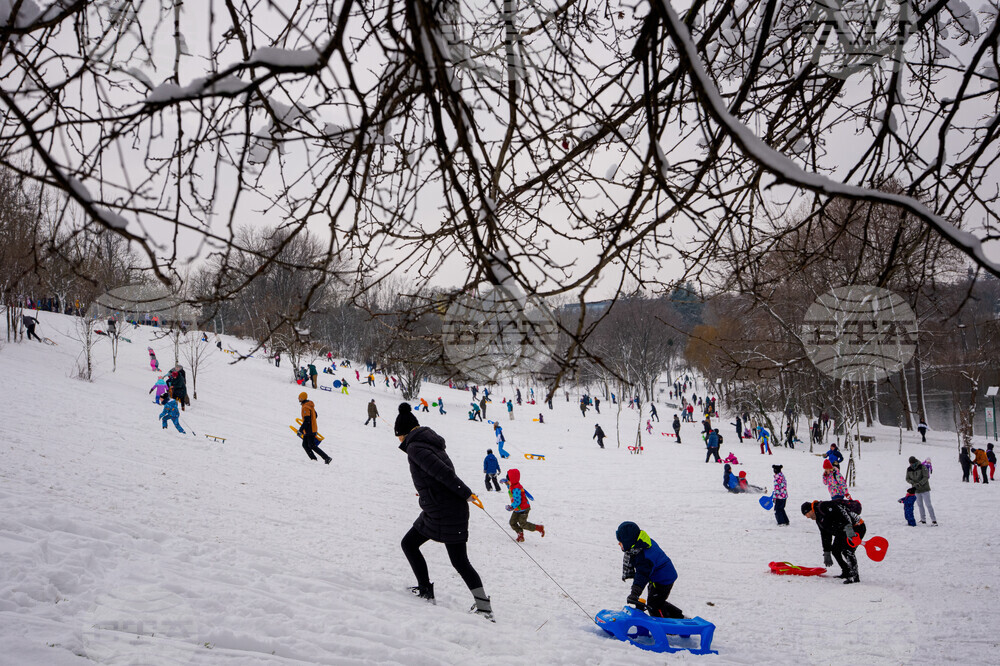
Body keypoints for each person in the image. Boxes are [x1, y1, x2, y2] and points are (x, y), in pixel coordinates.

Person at [394, 403, 493, 621]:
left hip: (444, 510)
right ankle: (482, 607)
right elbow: (434, 475)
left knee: (453, 559)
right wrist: (426, 492)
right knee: (421, 548)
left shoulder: (415, 447)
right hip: (442, 507)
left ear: (403, 433)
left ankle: (431, 593)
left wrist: (466, 493)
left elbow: (443, 473)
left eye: (398, 436)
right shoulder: (427, 442)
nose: (398, 441)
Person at [615, 521, 684, 619]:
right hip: (657, 577)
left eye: (621, 542)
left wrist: (634, 593)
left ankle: (665, 626)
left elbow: (642, 575)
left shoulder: (644, 557)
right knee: (655, 601)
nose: (619, 544)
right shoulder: (642, 543)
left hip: (663, 579)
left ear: (628, 542)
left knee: (654, 605)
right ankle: (679, 616)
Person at [801, 499, 866, 584]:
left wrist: (849, 527)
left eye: (806, 514)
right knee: (835, 550)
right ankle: (846, 571)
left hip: (856, 526)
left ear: (809, 510)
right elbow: (825, 535)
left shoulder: (823, 506)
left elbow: (842, 512)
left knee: (848, 551)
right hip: (842, 531)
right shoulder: (819, 519)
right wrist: (826, 551)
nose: (807, 517)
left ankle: (854, 577)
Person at [501, 468, 544, 542]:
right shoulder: (514, 485)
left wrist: (511, 507)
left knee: (523, 524)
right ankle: (520, 534)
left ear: (512, 480)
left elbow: (517, 501)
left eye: (508, 480)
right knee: (512, 522)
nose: (508, 482)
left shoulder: (517, 488)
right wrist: (505, 482)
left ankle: (538, 527)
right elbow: (510, 487)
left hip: (523, 509)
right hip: (518, 509)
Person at [297, 392, 331, 464]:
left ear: (302, 398)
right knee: (305, 445)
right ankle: (314, 460)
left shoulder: (305, 407)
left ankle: (326, 458)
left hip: (309, 429)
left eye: (299, 397)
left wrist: (301, 429)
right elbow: (316, 415)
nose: (298, 398)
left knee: (311, 445)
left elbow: (307, 420)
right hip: (311, 428)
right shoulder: (310, 405)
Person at [905, 456, 936, 524]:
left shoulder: (922, 467)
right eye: (910, 463)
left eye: (912, 463)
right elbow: (907, 478)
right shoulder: (909, 469)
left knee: (928, 504)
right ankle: (923, 519)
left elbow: (926, 476)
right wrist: (913, 483)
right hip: (916, 490)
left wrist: (920, 483)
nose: (911, 464)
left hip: (925, 489)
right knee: (920, 505)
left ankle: (933, 520)